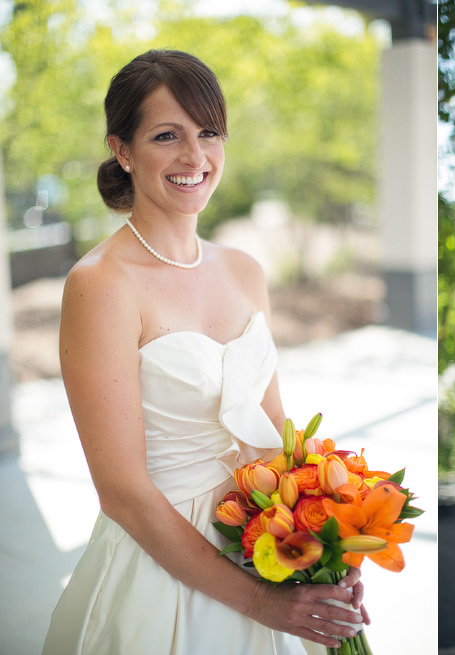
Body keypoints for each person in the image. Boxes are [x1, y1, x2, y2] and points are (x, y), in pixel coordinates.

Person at [42, 50, 366, 655]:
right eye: (167, 136)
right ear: (122, 150)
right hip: (162, 563)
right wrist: (262, 603)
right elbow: (123, 494)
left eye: (208, 132)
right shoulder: (101, 285)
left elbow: (275, 439)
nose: (195, 157)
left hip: (265, 540)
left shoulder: (245, 270)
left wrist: (326, 546)